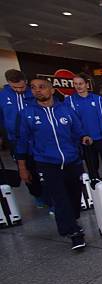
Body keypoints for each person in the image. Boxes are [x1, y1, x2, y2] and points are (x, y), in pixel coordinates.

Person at [16, 78, 92, 250]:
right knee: (59, 199)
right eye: (34, 88)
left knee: (74, 196)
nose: (37, 91)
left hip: (72, 161)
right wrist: (22, 168)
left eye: (42, 87)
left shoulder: (66, 110)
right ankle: (74, 233)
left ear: (51, 90)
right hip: (47, 163)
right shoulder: (27, 114)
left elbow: (78, 130)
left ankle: (70, 221)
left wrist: (84, 137)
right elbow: (21, 142)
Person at [0, 69, 46, 207]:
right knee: (25, 169)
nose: (19, 90)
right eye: (15, 87)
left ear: (25, 81)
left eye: (21, 86)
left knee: (44, 167)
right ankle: (37, 195)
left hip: (37, 138)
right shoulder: (2, 96)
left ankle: (50, 196)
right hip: (15, 140)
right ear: (8, 83)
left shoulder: (33, 93)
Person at [66, 72, 102, 179]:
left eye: (80, 83)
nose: (78, 86)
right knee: (92, 168)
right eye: (75, 84)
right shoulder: (69, 101)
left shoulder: (98, 99)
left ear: (87, 84)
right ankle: (96, 189)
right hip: (86, 140)